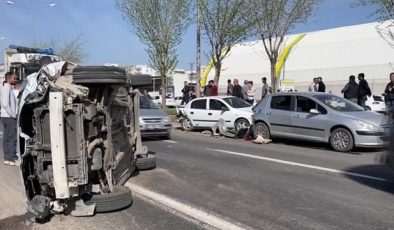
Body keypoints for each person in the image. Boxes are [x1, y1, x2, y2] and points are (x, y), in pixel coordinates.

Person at [1, 72, 19, 166]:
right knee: (12, 137)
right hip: (9, 117)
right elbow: (5, 103)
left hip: (5, 116)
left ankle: (7, 158)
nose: (15, 80)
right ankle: (12, 159)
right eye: (14, 79)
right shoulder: (7, 88)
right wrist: (13, 114)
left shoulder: (6, 88)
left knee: (6, 138)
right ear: (9, 79)